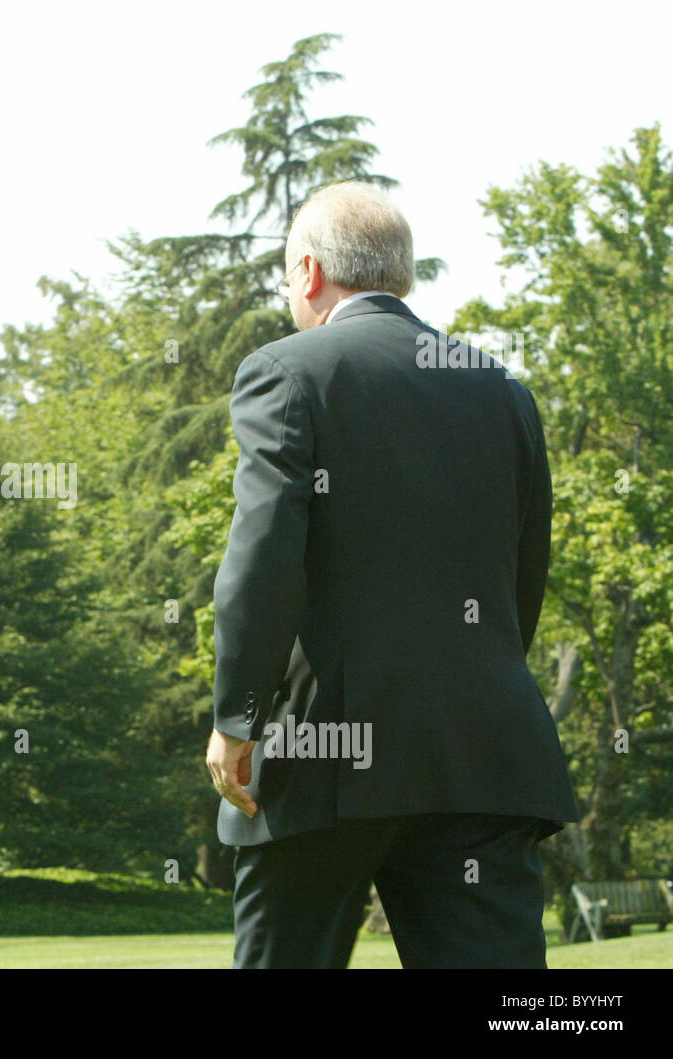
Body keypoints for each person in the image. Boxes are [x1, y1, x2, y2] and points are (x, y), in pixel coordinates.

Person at [203, 181, 578, 968]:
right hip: (482, 757)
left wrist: (237, 714)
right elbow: (522, 577)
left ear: (308, 272)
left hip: (321, 761)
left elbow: (263, 556)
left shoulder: (285, 372)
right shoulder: (502, 388)